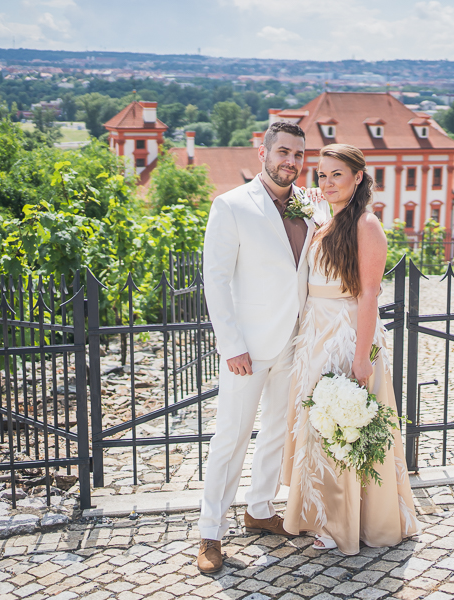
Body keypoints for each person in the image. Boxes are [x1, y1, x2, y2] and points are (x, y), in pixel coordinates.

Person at [281, 143, 419, 555]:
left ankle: (346, 524)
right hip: (315, 334)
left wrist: (361, 358)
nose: (327, 182)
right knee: (321, 426)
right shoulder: (327, 220)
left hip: (345, 335)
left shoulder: (366, 225)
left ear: (358, 177)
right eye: (322, 175)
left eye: (336, 174)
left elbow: (369, 295)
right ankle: (321, 514)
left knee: (342, 425)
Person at [197, 121, 315, 573]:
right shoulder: (231, 205)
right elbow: (216, 280)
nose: (291, 161)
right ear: (263, 153)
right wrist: (231, 344)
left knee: (277, 432)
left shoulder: (309, 206)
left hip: (295, 341)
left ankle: (261, 509)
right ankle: (210, 532)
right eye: (283, 151)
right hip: (247, 346)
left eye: (298, 154)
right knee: (231, 437)